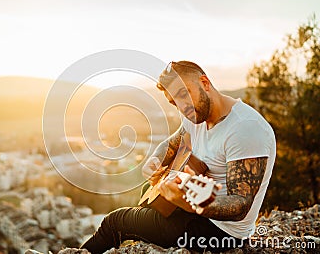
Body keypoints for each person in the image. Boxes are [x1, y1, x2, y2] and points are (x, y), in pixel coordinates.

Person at [80, 61, 276, 253]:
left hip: (221, 233)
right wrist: (155, 161)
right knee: (149, 190)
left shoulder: (245, 129)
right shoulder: (196, 116)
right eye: (175, 103)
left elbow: (240, 205)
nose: (183, 107)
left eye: (184, 95)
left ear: (205, 83)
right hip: (194, 212)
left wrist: (193, 205)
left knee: (113, 222)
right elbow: (172, 143)